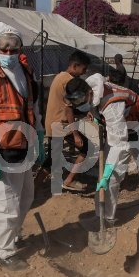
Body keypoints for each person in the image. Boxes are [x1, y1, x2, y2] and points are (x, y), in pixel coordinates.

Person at [0, 23, 44, 271]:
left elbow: (33, 108)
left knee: (25, 197)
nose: (9, 53)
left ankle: (12, 236)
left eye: (14, 49)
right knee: (6, 204)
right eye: (4, 49)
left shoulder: (25, 74)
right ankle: (4, 252)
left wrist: (39, 137)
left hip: (24, 146)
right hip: (1, 150)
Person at [65, 77, 139, 240]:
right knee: (109, 179)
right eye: (75, 102)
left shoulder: (112, 104)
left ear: (89, 93)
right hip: (120, 129)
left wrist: (107, 170)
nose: (78, 105)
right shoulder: (91, 93)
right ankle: (103, 217)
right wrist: (96, 116)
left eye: (80, 101)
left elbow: (119, 144)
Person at [45, 51, 91, 193]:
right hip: (61, 124)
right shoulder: (70, 81)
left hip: (53, 122)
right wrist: (75, 134)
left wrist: (84, 112)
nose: (84, 72)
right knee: (86, 148)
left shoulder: (60, 76)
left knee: (52, 159)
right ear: (75, 66)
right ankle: (69, 181)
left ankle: (34, 186)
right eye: (84, 69)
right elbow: (68, 109)